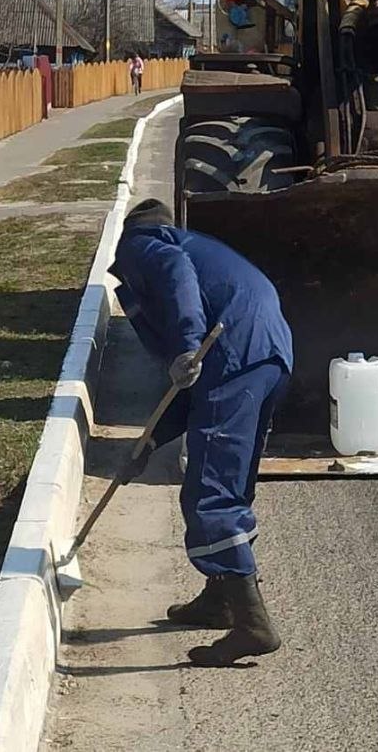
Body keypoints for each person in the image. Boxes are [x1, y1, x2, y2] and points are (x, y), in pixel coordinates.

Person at [108, 198, 293, 666]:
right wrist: (148, 443)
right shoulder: (203, 250)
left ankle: (253, 625)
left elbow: (172, 272)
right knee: (230, 483)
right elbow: (186, 397)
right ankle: (220, 599)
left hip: (233, 353)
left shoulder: (146, 243)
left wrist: (187, 344)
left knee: (209, 491)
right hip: (266, 353)